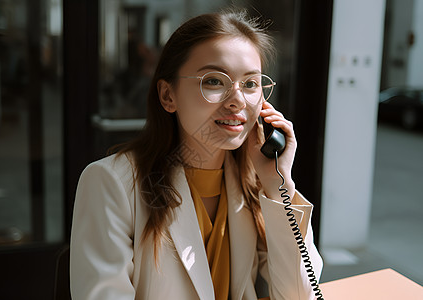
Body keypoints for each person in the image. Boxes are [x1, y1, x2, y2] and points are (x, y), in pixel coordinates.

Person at [70, 8, 323, 300]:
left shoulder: (254, 184)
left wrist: (278, 185)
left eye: (250, 84)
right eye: (214, 81)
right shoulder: (111, 183)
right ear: (168, 96)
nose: (237, 101)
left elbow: (302, 295)